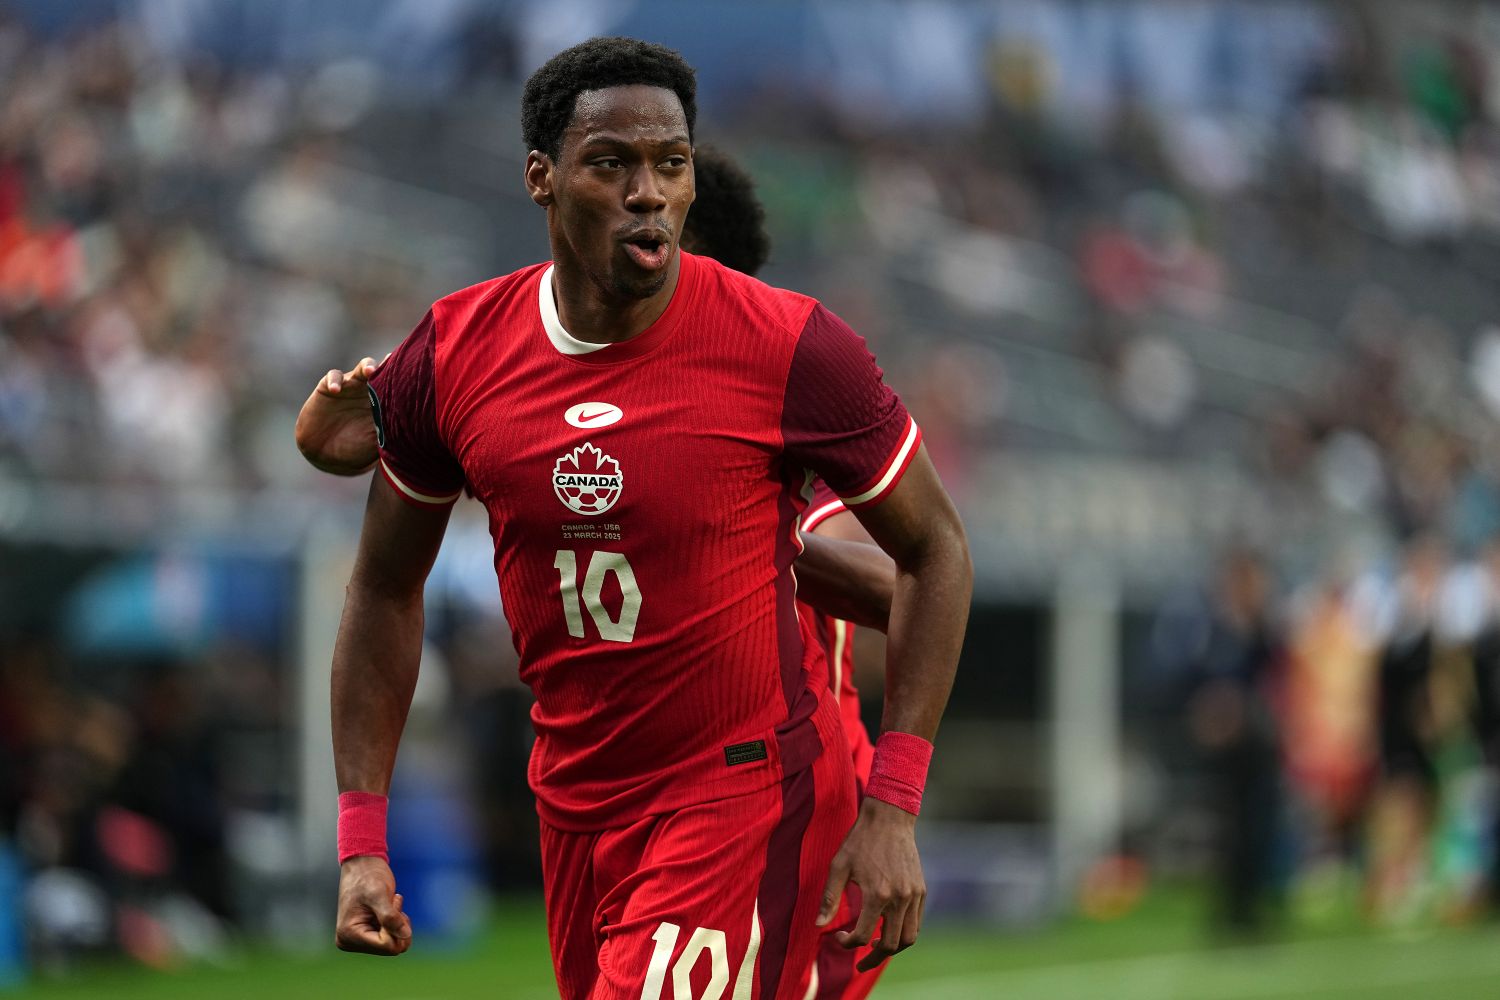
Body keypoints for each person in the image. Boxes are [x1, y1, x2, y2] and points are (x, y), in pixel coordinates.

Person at [317, 37, 971, 1000]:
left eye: (671, 164)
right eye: (612, 163)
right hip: (575, 806)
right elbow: (381, 586)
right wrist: (360, 844)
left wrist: (895, 807)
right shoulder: (454, 357)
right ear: (541, 179)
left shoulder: (791, 349)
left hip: (738, 789)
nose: (648, 191)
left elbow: (936, 552)